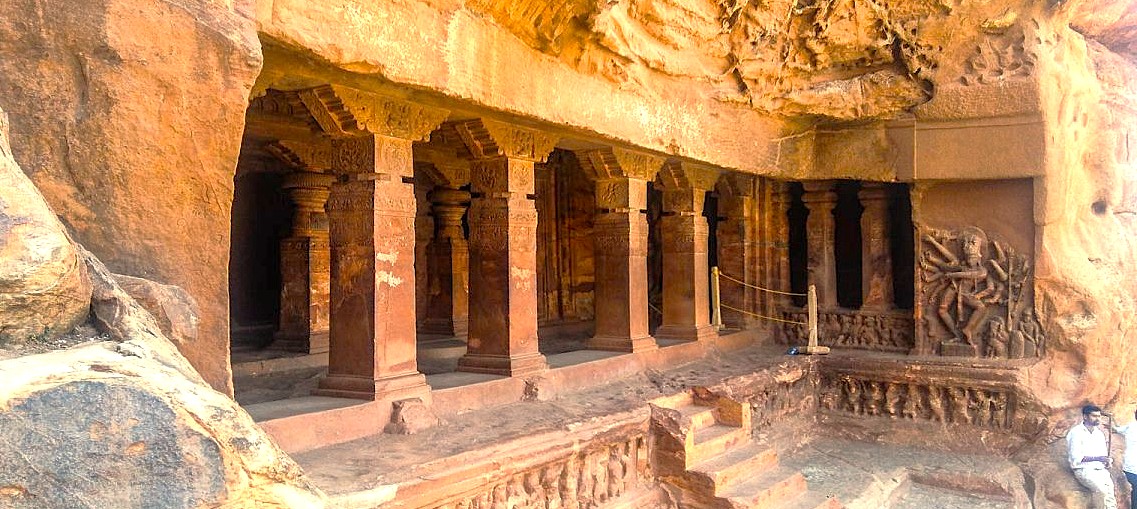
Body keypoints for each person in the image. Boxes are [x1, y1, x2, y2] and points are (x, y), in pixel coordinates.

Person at [1068, 404, 1117, 509]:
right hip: (1084, 470)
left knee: (1110, 496)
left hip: (1100, 469)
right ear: (1085, 417)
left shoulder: (1099, 434)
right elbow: (1076, 457)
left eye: (1099, 416)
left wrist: (1107, 461)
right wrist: (1098, 458)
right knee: (1101, 492)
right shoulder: (1076, 433)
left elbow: (1103, 455)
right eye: (1094, 416)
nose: (1097, 418)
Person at [1113, 409, 1137, 509]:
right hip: (1132, 467)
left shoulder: (1130, 426)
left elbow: (1117, 429)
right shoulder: (1131, 426)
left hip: (1130, 467)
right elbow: (1117, 429)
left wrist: (1113, 424)